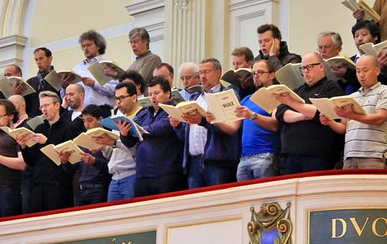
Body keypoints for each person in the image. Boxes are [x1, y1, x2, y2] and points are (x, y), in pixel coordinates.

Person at [170, 58, 241, 187]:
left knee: (217, 204)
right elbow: (186, 136)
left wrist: (205, 121)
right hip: (194, 162)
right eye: (200, 73)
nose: (203, 76)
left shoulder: (227, 94)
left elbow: (232, 129)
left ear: (218, 72)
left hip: (217, 162)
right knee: (196, 205)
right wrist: (178, 126)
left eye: (206, 72)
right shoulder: (195, 99)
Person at [274, 52, 344, 174]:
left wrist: (292, 103)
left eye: (309, 67)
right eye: (303, 68)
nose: (305, 71)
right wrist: (301, 115)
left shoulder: (331, 87)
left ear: (321, 67)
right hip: (290, 153)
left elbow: (320, 111)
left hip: (317, 154)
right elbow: (280, 113)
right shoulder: (298, 90)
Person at [120, 76, 185, 197]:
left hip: (166, 173)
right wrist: (124, 133)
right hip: (142, 174)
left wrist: (138, 130)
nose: (153, 97)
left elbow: (160, 127)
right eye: (150, 94)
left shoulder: (174, 111)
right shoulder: (144, 114)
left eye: (156, 93)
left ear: (167, 93)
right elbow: (130, 142)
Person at [320, 55, 387, 169]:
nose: (361, 75)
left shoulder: (384, 91)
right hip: (350, 155)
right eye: (358, 71)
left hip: (373, 155)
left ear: (377, 71)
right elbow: (343, 127)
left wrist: (352, 115)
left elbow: (380, 118)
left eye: (365, 70)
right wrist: (330, 122)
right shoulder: (351, 97)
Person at [18, 91, 81, 213]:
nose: (43, 109)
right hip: (38, 185)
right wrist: (24, 147)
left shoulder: (69, 128)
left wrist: (46, 142)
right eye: (41, 107)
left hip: (58, 186)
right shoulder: (40, 128)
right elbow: (31, 162)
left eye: (46, 105)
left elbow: (70, 162)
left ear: (57, 105)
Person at [92, 82, 141, 201]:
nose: (118, 102)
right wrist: (103, 145)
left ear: (134, 97)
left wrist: (114, 143)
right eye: (116, 98)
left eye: (122, 98)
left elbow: (137, 151)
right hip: (114, 177)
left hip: (131, 175)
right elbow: (112, 154)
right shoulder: (117, 118)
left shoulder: (140, 117)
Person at [234, 60, 281, 181]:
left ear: (271, 75)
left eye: (260, 72)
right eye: (254, 73)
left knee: (265, 199)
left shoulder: (277, 96)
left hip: (266, 154)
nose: (256, 76)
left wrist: (252, 115)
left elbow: (275, 125)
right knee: (244, 199)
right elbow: (233, 126)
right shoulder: (247, 99)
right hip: (245, 157)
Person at [60, 105, 111, 206]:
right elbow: (73, 169)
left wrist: (94, 161)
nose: (86, 124)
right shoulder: (82, 140)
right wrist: (65, 162)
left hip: (99, 187)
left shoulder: (109, 138)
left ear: (100, 119)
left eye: (90, 120)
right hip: (82, 188)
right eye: (84, 121)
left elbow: (112, 167)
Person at [72, 30, 116, 112]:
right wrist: (64, 87)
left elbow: (114, 90)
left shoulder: (107, 65)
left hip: (101, 110)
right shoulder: (77, 69)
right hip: (81, 112)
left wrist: (94, 84)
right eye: (83, 46)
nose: (86, 48)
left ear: (98, 46)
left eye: (89, 45)